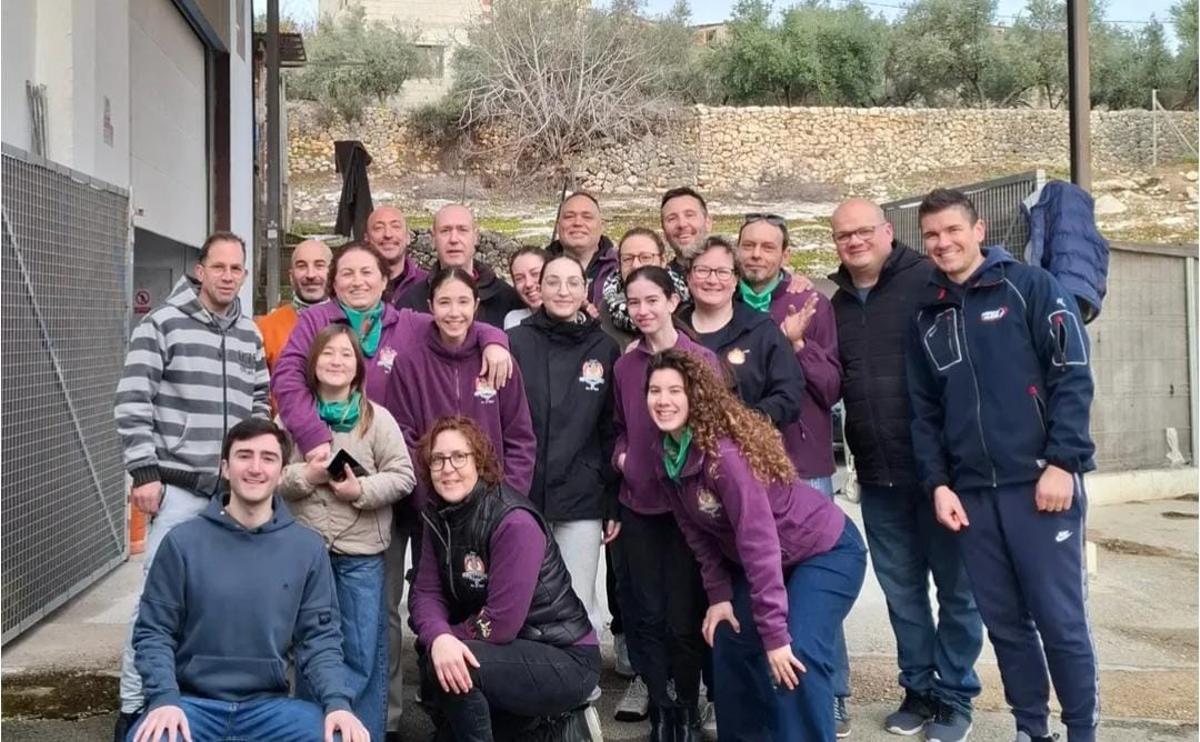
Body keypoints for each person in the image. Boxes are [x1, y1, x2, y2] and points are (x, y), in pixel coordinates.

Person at [271, 241, 515, 740]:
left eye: (369, 273)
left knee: (377, 616)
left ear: (387, 281)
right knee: (312, 619)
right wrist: (317, 448)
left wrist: (495, 339)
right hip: (318, 513)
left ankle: (380, 720)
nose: (358, 281)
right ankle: (309, 719)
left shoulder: (409, 322)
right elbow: (287, 380)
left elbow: (460, 320)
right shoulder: (317, 321)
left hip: (392, 496)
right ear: (334, 283)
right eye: (348, 274)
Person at [907, 189, 1098, 742]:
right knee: (1007, 629)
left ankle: (1082, 732)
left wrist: (1064, 462)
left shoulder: (1032, 287)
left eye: (952, 230)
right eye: (932, 235)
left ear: (978, 229)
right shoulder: (928, 314)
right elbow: (924, 411)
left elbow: (1072, 376)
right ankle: (1032, 730)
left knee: (1062, 625)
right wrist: (938, 484)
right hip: (972, 498)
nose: (943, 243)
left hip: (1041, 487)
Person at [644, 349, 866, 742]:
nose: (664, 401)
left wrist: (775, 635)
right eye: (655, 391)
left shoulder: (723, 458)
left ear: (697, 395)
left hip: (825, 551)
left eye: (675, 390)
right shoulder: (669, 456)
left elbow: (758, 543)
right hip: (773, 560)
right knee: (730, 638)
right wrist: (719, 596)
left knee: (794, 652)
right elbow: (698, 535)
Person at [827, 198, 983, 740]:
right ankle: (917, 689)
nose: (854, 241)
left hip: (941, 476)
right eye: (843, 235)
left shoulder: (929, 280)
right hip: (878, 475)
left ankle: (955, 696)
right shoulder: (838, 304)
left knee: (959, 592)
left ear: (888, 231)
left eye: (864, 231)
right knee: (903, 595)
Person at [113, 231, 270, 738]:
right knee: (155, 601)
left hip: (229, 494)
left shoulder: (249, 335)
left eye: (236, 269)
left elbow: (261, 408)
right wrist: (144, 472)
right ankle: (134, 707)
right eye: (218, 266)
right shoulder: (162, 325)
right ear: (199, 269)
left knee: (218, 599)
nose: (227, 276)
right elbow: (133, 402)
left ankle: (194, 701)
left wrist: (253, 467)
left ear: (244, 274)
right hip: (176, 488)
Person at [128, 419, 369, 742]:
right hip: (192, 707)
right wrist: (163, 699)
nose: (255, 467)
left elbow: (320, 639)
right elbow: (153, 632)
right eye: (244, 455)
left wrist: (337, 703)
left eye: (268, 458)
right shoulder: (182, 543)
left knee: (340, 737)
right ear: (225, 468)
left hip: (271, 710)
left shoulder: (306, 548)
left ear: (282, 473)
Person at [410, 416, 602, 741]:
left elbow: (501, 623)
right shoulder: (438, 515)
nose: (448, 467)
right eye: (438, 459)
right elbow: (426, 593)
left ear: (479, 461)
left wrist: (448, 643)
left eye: (459, 456)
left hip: (564, 656)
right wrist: (439, 637)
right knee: (441, 664)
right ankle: (556, 729)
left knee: (456, 667)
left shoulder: (513, 521)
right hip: (510, 652)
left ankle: (558, 715)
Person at [736, 214, 852, 733]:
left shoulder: (811, 303)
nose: (757, 254)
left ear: (785, 255)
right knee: (760, 576)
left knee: (814, 589)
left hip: (801, 465)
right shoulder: (723, 305)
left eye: (768, 247)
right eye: (749, 246)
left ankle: (830, 691)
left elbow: (830, 388)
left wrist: (796, 346)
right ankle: (767, 690)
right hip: (743, 467)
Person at [278, 324, 417, 741]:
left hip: (360, 554)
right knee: (308, 649)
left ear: (358, 367)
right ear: (313, 363)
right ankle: (312, 732)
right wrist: (307, 474)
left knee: (361, 652)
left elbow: (404, 476)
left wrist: (361, 490)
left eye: (345, 355)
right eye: (327, 354)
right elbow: (269, 474)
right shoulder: (290, 419)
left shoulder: (378, 419)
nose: (336, 362)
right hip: (307, 552)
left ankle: (363, 733)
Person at [612, 265, 722, 739]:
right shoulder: (623, 365)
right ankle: (663, 709)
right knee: (646, 615)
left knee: (683, 618)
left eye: (651, 300)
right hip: (638, 506)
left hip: (686, 511)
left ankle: (688, 706)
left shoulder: (700, 359)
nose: (642, 311)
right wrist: (622, 457)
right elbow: (619, 426)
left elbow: (718, 430)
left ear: (672, 302)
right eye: (633, 303)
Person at [508, 254, 622, 635]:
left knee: (578, 597)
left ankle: (582, 683)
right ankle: (532, 682)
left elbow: (611, 428)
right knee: (524, 596)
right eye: (552, 281)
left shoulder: (604, 348)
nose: (562, 290)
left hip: (581, 496)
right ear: (539, 288)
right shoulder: (514, 342)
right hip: (523, 494)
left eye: (572, 282)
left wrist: (611, 499)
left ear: (585, 289)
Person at [388, 266, 537, 515]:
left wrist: (507, 499)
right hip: (432, 508)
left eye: (463, 302)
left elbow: (520, 437)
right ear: (430, 306)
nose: (454, 312)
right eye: (444, 302)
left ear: (476, 306)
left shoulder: (498, 361)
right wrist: (431, 494)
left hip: (493, 507)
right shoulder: (409, 364)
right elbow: (402, 437)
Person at [395, 203, 525, 327]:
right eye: (445, 230)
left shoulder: (507, 299)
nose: (454, 239)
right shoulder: (411, 303)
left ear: (476, 236)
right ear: (433, 238)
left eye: (462, 230)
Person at [600, 228, 689, 348]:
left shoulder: (686, 307)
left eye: (645, 257)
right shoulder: (606, 308)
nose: (636, 265)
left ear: (663, 261)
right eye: (627, 259)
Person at [257, 238, 333, 376]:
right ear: (291, 277)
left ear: (332, 273)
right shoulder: (267, 327)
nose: (310, 275)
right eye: (302, 266)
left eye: (319, 265)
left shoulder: (349, 323)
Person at [545, 191, 619, 308]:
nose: (578, 223)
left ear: (601, 226)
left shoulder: (620, 267)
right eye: (569, 217)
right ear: (558, 226)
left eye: (587, 217)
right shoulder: (539, 268)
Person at [367, 204, 429, 304]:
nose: (388, 234)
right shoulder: (356, 286)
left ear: (408, 237)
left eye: (396, 226)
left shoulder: (428, 285)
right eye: (379, 228)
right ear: (367, 239)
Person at [660, 187, 712, 273]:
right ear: (664, 230)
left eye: (689, 215)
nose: (682, 224)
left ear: (708, 222)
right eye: (672, 218)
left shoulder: (736, 278)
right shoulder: (659, 283)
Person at [504, 246, 547, 329]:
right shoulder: (513, 321)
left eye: (535, 274)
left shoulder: (573, 317)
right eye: (519, 278)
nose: (528, 284)